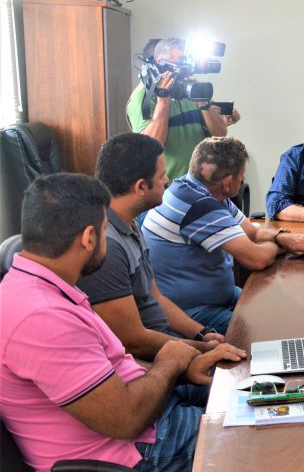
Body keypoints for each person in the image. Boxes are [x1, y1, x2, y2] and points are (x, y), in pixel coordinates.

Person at [0, 173, 246, 472]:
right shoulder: (41, 316)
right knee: (259, 439)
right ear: (88, 237)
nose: (107, 238)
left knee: (256, 395)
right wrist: (169, 363)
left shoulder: (42, 286)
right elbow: (125, 419)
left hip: (137, 439)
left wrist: (183, 366)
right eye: (103, 230)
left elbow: (111, 371)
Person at [142, 137, 304, 333]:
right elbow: (256, 259)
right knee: (268, 328)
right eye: (242, 176)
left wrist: (280, 236)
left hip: (218, 297)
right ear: (227, 183)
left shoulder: (196, 189)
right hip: (189, 312)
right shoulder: (199, 205)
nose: (243, 180)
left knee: (281, 309)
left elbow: (252, 232)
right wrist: (280, 246)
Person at [79, 133, 227, 360]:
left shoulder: (130, 223)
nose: (167, 180)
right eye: (161, 175)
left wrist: (201, 334)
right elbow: (133, 341)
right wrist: (202, 351)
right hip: (153, 363)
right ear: (140, 187)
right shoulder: (107, 247)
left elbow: (155, 296)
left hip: (169, 343)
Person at [127, 37, 241, 181]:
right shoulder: (142, 97)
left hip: (202, 184)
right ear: (161, 62)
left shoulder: (190, 88)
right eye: (181, 61)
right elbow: (150, 147)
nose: (187, 69)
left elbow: (220, 133)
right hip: (168, 188)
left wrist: (203, 103)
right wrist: (163, 100)